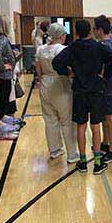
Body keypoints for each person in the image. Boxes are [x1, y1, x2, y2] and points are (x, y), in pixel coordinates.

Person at [52, 19, 112, 175]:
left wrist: (68, 73)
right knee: (95, 126)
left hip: (79, 91)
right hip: (96, 91)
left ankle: (82, 162)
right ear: (90, 31)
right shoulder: (98, 47)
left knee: (81, 126)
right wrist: (105, 75)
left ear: (76, 33)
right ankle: (97, 162)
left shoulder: (72, 48)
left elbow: (56, 62)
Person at [35, 23, 79, 163]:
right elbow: (69, 68)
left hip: (45, 83)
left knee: (50, 119)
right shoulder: (62, 49)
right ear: (61, 36)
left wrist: (41, 78)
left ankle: (55, 150)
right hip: (60, 83)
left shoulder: (41, 49)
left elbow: (37, 67)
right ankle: (72, 154)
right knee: (67, 120)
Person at [94, 15, 112, 164]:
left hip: (109, 88)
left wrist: (102, 76)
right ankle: (105, 142)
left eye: (94, 29)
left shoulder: (107, 45)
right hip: (106, 88)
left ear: (99, 29)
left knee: (110, 118)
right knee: (105, 117)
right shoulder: (104, 44)